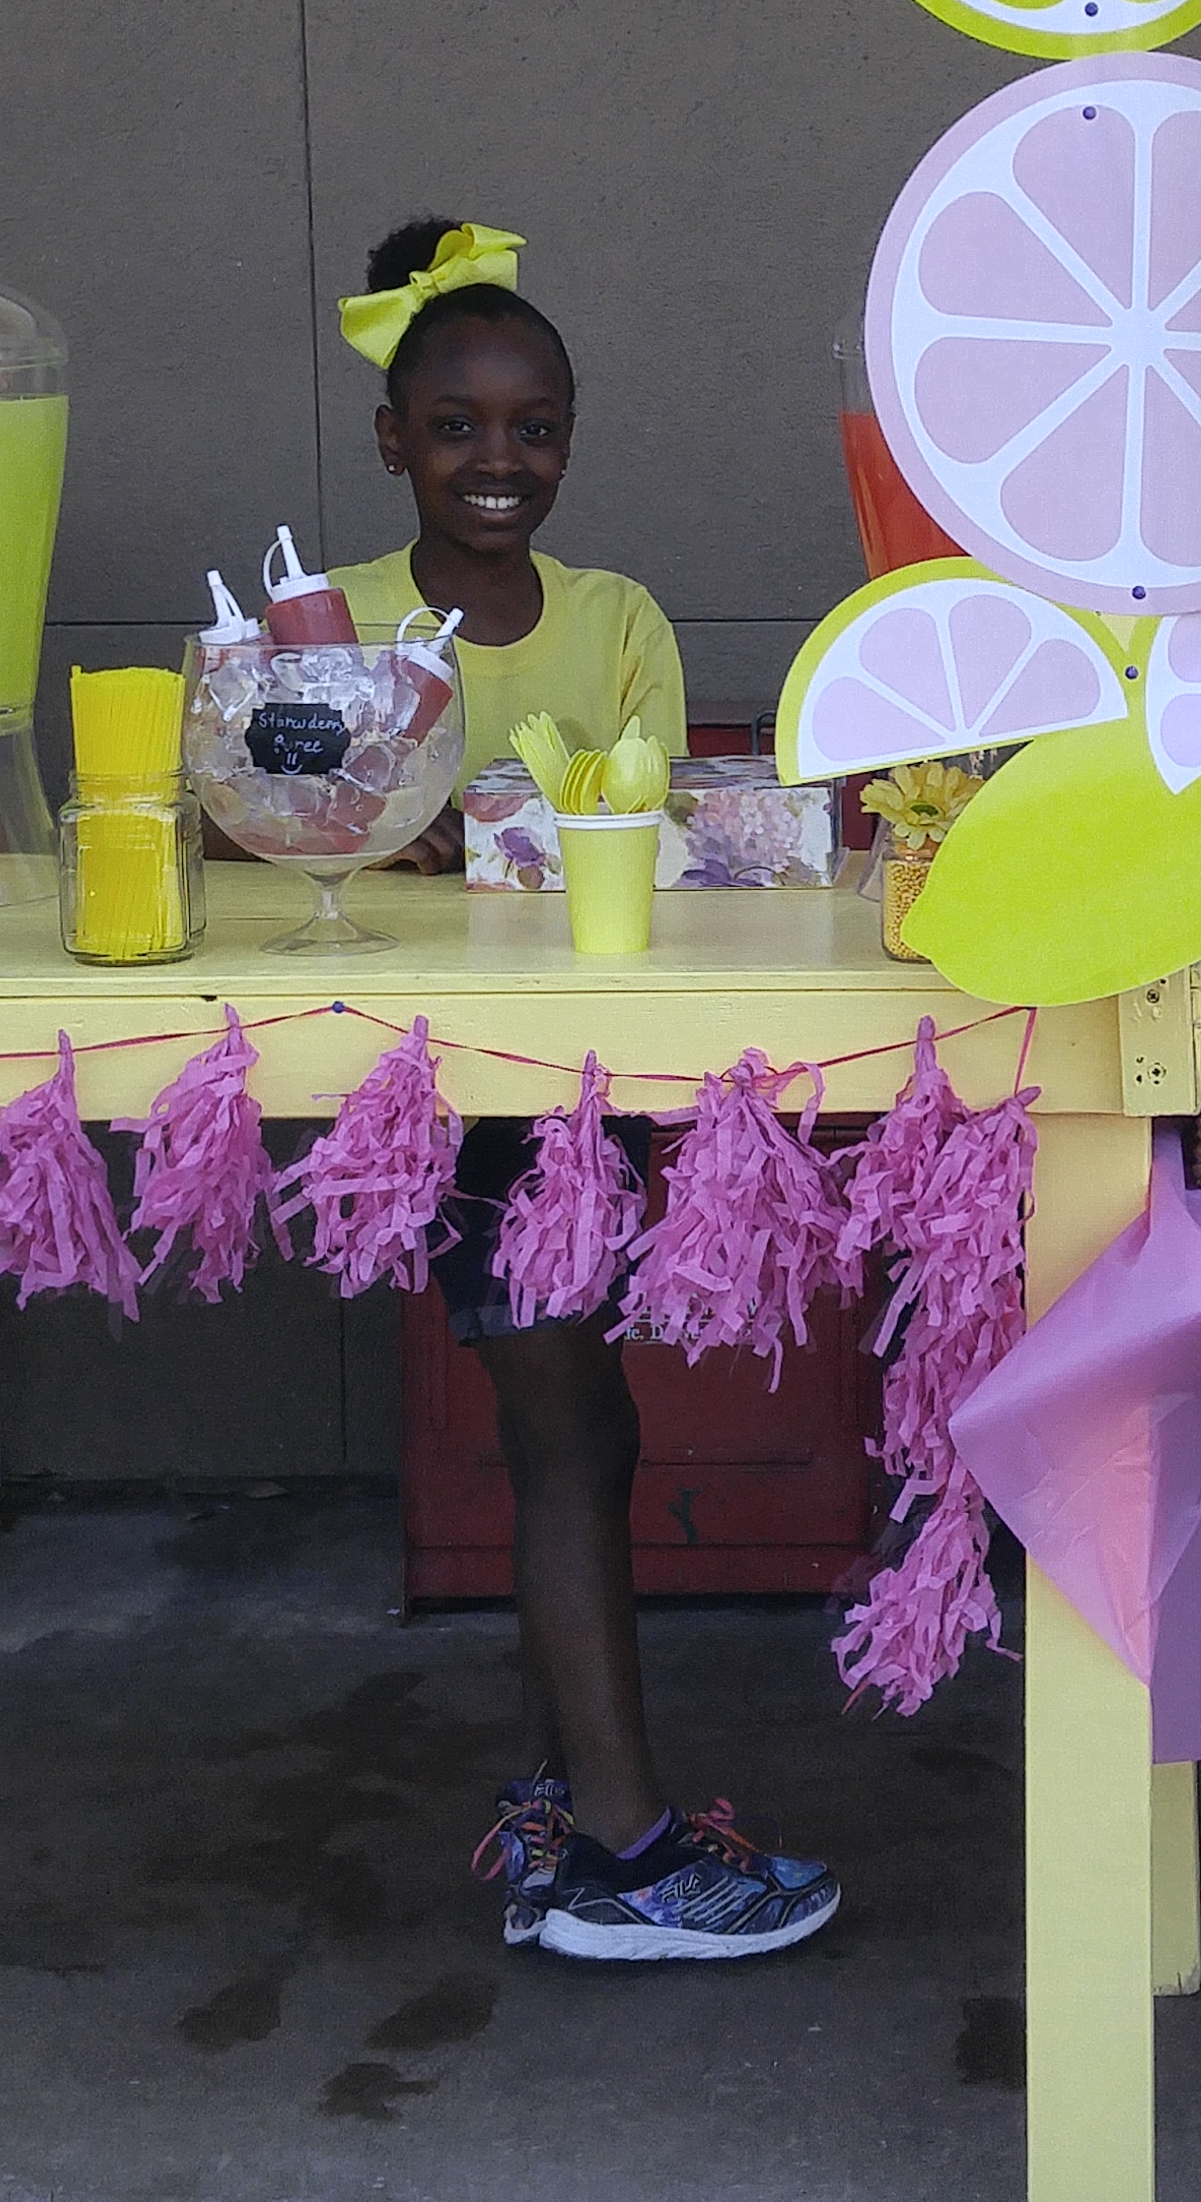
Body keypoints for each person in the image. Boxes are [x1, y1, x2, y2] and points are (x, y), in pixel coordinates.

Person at [322, 217, 842, 1964]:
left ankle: (552, 1803)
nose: (497, 460)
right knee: (562, 1431)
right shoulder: (331, 629)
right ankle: (622, 1853)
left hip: (588, 1088)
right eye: (455, 426)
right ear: (393, 440)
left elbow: (655, 839)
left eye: (532, 426)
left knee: (590, 1428)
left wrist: (481, 837)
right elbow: (293, 820)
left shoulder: (618, 621)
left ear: (570, 438)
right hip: (442, 1094)